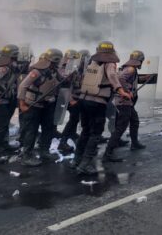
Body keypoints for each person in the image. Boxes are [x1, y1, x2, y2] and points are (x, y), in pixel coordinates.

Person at [70, 42, 130, 175]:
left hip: (84, 99)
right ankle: (85, 164)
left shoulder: (91, 61)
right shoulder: (109, 62)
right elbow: (113, 76)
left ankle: (76, 160)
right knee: (95, 133)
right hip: (97, 102)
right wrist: (121, 90)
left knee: (85, 131)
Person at [17, 49, 64, 167]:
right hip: (34, 105)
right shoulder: (37, 71)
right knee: (31, 131)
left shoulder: (54, 71)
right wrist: (22, 104)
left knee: (48, 129)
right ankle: (26, 156)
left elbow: (60, 82)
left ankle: (44, 151)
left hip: (47, 104)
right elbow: (23, 86)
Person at [103, 50, 147, 163]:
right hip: (124, 101)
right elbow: (121, 79)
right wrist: (126, 92)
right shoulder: (131, 69)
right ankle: (108, 153)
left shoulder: (128, 68)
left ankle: (135, 143)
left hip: (125, 102)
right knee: (121, 127)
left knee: (135, 120)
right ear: (140, 60)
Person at [59, 49, 90, 155]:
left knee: (76, 118)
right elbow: (64, 86)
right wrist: (71, 100)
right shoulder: (64, 69)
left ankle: (71, 134)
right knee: (73, 119)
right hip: (66, 98)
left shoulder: (77, 68)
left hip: (75, 96)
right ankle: (63, 141)